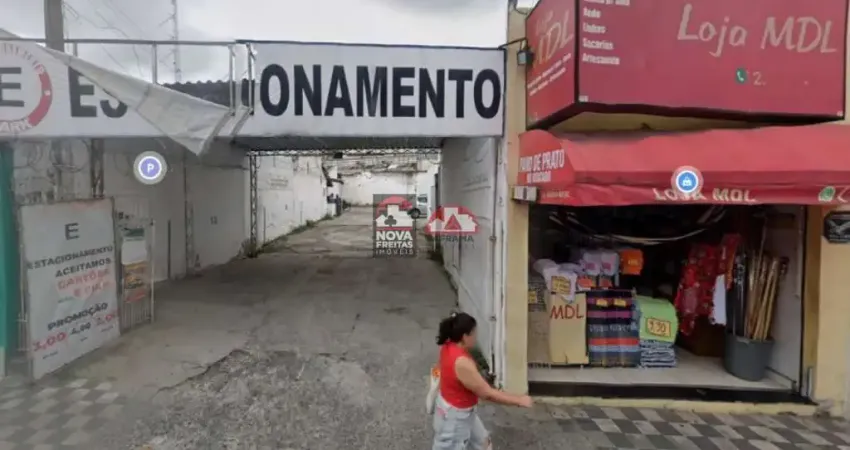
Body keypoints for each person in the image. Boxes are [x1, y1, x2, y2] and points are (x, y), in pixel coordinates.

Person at [432, 312, 533, 450]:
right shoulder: (462, 363)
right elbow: (487, 393)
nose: (476, 337)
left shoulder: (448, 344)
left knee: (482, 443)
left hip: (460, 410)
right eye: (473, 333)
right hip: (455, 418)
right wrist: (519, 400)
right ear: (464, 336)